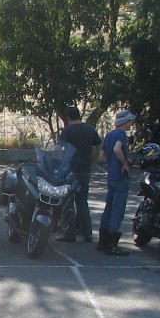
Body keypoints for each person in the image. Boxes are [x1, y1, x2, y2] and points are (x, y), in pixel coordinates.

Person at [57, 106, 100, 242]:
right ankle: (87, 233)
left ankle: (69, 233)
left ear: (68, 117)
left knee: (68, 202)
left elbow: (57, 149)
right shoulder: (90, 129)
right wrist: (93, 160)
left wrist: (58, 161)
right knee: (82, 201)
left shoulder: (68, 130)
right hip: (85, 169)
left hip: (71, 169)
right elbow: (98, 146)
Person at [97, 109, 136, 255]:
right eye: (130, 121)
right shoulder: (121, 134)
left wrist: (113, 162)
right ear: (124, 122)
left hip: (111, 176)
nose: (131, 124)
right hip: (120, 177)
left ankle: (102, 241)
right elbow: (117, 149)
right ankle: (111, 245)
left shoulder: (109, 135)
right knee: (117, 210)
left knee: (108, 208)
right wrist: (124, 163)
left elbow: (102, 157)